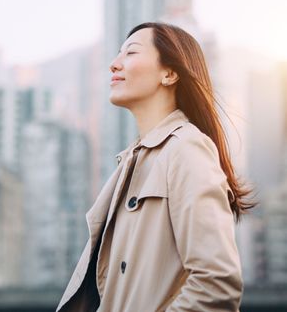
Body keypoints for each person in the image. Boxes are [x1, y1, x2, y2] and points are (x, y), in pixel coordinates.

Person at [56, 22, 255, 312]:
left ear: (170, 73)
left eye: (130, 53)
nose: (114, 65)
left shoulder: (186, 148)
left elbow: (216, 284)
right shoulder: (132, 161)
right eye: (117, 54)